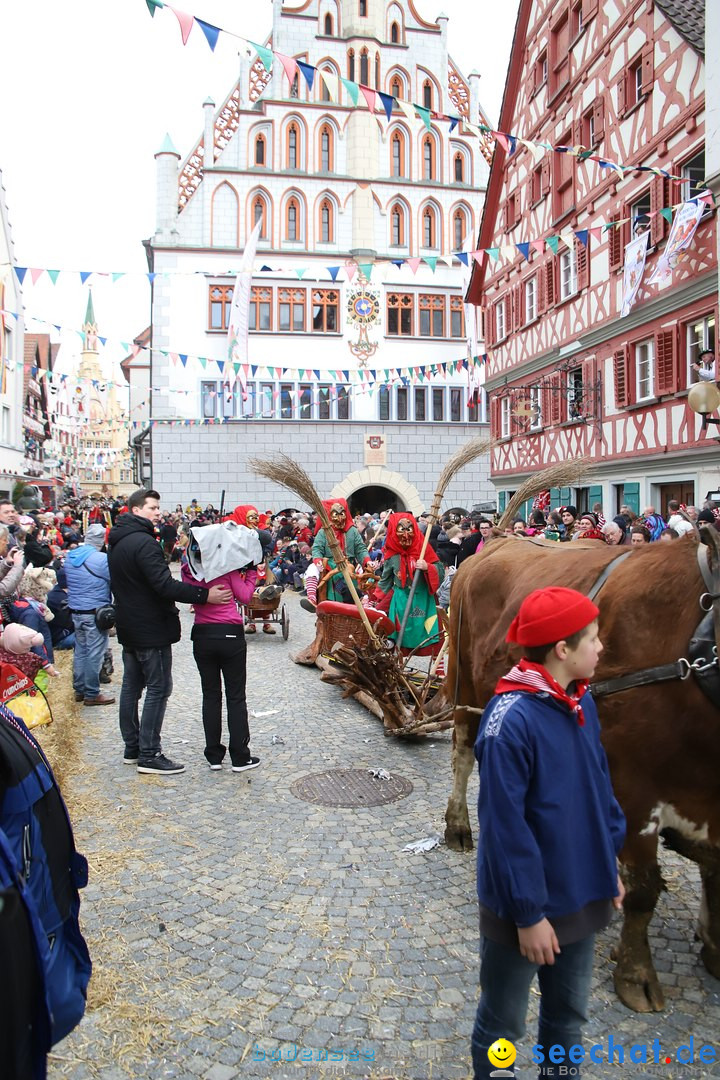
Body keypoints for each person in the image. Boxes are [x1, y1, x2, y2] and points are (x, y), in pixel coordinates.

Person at [471, 587, 626, 1080]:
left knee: (568, 1019)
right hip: (525, 911)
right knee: (503, 1025)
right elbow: (504, 829)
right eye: (594, 639)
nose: (601, 648)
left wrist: (609, 868)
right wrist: (528, 914)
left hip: (581, 892)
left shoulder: (581, 702)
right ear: (562, 648)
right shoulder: (509, 720)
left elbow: (599, 787)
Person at [108, 489, 232, 776]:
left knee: (131, 687)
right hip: (149, 627)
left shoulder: (118, 541)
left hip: (129, 623)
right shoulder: (144, 543)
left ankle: (133, 747)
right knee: (158, 687)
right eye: (152, 508)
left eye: (158, 507)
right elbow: (164, 585)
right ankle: (149, 753)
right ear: (136, 510)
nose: (157, 512)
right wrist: (204, 595)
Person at [181, 535, 260, 772]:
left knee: (210, 695)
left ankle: (214, 756)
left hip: (202, 635)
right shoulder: (227, 570)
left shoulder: (189, 571)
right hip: (229, 635)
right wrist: (252, 573)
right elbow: (245, 597)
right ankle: (240, 757)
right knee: (236, 696)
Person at [373, 512, 444, 654]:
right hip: (401, 599)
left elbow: (440, 571)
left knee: (432, 632)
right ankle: (396, 665)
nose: (405, 535)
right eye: (401, 530)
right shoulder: (392, 554)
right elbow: (386, 579)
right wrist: (374, 598)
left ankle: (438, 668)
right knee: (396, 632)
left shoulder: (423, 548)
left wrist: (427, 567)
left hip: (422, 598)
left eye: (409, 529)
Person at [65, 523, 115, 706]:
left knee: (81, 650)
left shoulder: (70, 556)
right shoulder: (101, 559)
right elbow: (114, 579)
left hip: (76, 610)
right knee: (95, 653)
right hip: (95, 612)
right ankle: (92, 693)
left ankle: (79, 689)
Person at [301, 499, 370, 612]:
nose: (339, 518)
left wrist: (367, 561)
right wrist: (317, 560)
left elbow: (361, 549)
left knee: (365, 579)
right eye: (335, 515)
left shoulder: (352, 531)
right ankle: (312, 598)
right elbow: (317, 548)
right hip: (328, 564)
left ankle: (366, 602)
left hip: (349, 565)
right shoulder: (324, 532)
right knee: (312, 569)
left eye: (341, 514)